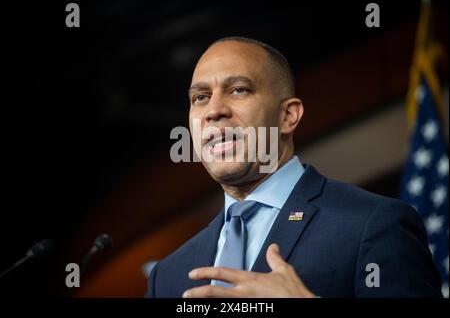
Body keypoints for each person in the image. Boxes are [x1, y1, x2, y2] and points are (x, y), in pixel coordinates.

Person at [146, 37, 442, 298]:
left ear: (288, 116)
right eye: (200, 98)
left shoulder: (375, 224)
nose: (213, 110)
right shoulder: (167, 276)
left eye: (238, 90)